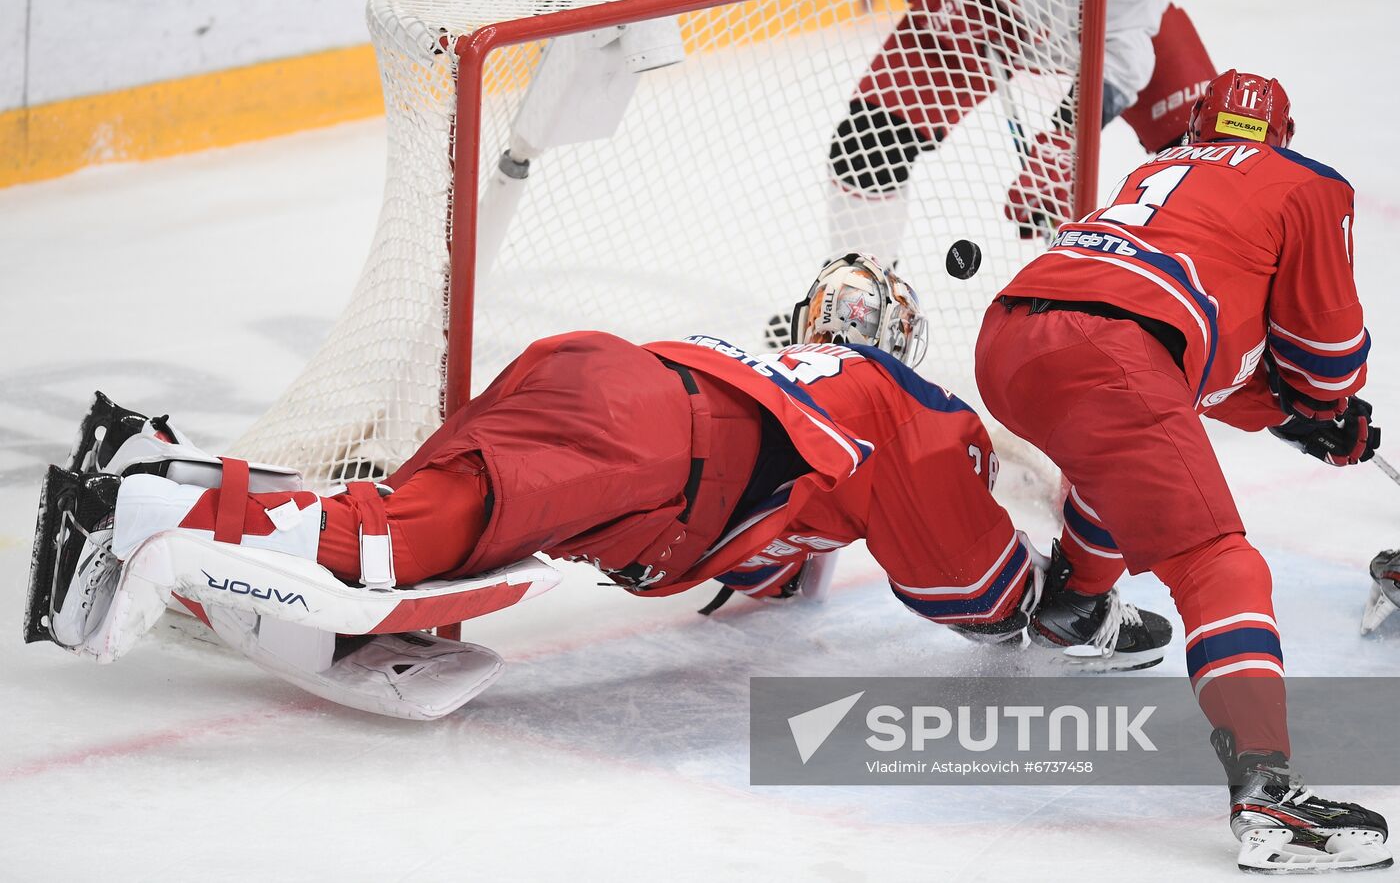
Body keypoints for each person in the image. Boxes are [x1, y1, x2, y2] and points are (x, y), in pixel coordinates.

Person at [25, 255, 1171, 720]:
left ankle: (170, 459)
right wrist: (1050, 596)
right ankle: (146, 500)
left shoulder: (782, 367)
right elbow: (960, 584)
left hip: (603, 380)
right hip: (644, 448)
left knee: (412, 527)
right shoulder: (912, 411)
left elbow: (767, 562)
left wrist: (805, 554)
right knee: (386, 553)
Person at [974, 68, 1388, 872]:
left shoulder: (1155, 171)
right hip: (1114, 354)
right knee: (1220, 563)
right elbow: (1325, 357)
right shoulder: (1306, 183)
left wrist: (1289, 417)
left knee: (1122, 451)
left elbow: (1196, 367)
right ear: (1283, 135)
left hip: (1010, 339)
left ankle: (1076, 603)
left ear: (1197, 127)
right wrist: (1326, 411)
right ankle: (1269, 798)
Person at [826, 0, 1217, 255]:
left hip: (1111, 31)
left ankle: (1210, 304)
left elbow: (1124, 58)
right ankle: (854, 297)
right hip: (986, 11)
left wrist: (1063, 139)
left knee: (1212, 158)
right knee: (867, 144)